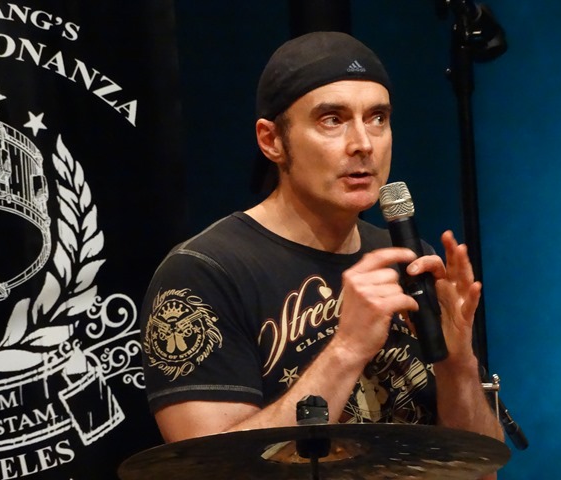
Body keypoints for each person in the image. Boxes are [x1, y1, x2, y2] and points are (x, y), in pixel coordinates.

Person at [140, 30, 504, 476]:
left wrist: (457, 362)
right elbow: (210, 471)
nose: (363, 143)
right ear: (271, 140)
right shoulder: (203, 274)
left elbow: (482, 471)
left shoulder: (408, 257)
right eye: (333, 119)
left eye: (378, 118)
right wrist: (347, 348)